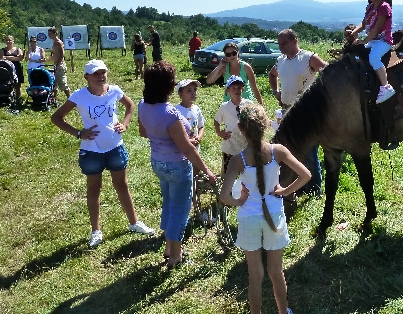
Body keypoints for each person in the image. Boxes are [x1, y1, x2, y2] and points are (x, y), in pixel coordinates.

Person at [50, 59, 155, 247]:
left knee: (122, 185)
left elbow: (130, 106)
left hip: (115, 146)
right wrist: (79, 133)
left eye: (103, 72)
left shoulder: (114, 91)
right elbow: (56, 117)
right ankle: (96, 231)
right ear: (86, 77)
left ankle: (134, 222)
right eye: (96, 73)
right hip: (92, 151)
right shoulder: (79, 96)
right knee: (94, 189)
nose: (101, 76)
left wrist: (125, 124)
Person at [219, 103, 311, 314]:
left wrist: (240, 201)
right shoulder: (278, 151)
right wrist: (285, 191)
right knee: (276, 271)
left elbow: (224, 196)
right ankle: (283, 311)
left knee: (255, 274)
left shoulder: (237, 160)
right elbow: (306, 175)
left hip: (248, 218)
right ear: (266, 125)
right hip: (274, 214)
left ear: (241, 129)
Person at [138, 61, 216, 269]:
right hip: (177, 166)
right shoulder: (170, 114)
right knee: (180, 210)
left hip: (158, 162)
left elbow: (144, 132)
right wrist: (207, 170)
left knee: (168, 204)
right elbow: (187, 150)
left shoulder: (142, 105)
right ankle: (176, 256)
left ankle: (168, 247)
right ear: (167, 86)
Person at [268, 28, 327, 196]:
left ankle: (314, 188)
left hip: (306, 112)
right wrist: (276, 91)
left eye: (284, 43)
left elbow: (328, 73)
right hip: (286, 110)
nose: (281, 47)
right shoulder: (281, 60)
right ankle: (297, 186)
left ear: (295, 41)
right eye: (279, 44)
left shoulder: (308, 58)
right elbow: (272, 75)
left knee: (309, 150)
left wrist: (317, 95)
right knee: (290, 150)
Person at [346, 0, 395, 103]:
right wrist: (354, 32)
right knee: (358, 54)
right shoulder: (370, 7)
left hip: (384, 41)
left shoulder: (384, 7)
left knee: (374, 57)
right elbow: (363, 24)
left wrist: (364, 41)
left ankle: (386, 87)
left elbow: (376, 29)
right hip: (373, 41)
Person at [214, 75, 253, 175]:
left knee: (247, 170)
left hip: (245, 142)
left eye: (239, 88)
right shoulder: (224, 107)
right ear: (228, 90)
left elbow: (254, 119)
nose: (236, 90)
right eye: (233, 88)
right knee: (228, 171)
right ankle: (226, 182)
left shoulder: (248, 104)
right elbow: (216, 120)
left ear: (243, 89)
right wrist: (219, 132)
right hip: (230, 143)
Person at [205, 41, 263, 106]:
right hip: (229, 102)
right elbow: (208, 81)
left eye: (234, 53)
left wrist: (261, 106)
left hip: (245, 102)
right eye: (228, 54)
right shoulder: (224, 68)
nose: (231, 56)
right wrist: (219, 66)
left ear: (238, 52)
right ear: (225, 56)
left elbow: (254, 87)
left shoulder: (246, 67)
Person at [46, 26, 71, 100]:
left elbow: (62, 54)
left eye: (50, 34)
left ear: (55, 34)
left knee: (62, 82)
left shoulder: (59, 42)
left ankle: (70, 99)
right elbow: (55, 54)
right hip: (56, 64)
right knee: (55, 82)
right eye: (48, 34)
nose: (49, 35)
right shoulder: (54, 42)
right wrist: (48, 59)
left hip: (60, 65)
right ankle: (54, 98)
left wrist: (57, 64)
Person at [1, 35, 24, 102]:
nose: (8, 41)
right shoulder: (2, 50)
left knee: (18, 85)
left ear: (13, 41)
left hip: (17, 68)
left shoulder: (18, 49)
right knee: (7, 84)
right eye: (7, 40)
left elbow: (20, 58)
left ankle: (18, 99)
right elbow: (1, 58)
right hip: (6, 69)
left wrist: (7, 57)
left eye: (10, 40)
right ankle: (7, 98)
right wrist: (14, 58)